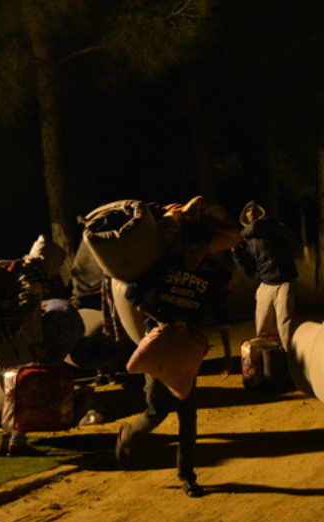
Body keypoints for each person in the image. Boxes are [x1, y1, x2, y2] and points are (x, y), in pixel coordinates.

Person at [114, 256, 229, 498]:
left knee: (188, 414)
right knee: (157, 412)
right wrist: (159, 318)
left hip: (186, 350)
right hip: (159, 346)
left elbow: (220, 314)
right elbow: (133, 294)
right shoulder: (165, 266)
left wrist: (228, 354)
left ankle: (187, 477)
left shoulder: (209, 276)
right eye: (190, 246)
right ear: (182, 247)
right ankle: (129, 433)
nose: (194, 252)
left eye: (199, 247)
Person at [0, 236, 66, 457]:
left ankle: (7, 439)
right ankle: (18, 440)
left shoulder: (12, 266)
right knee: (20, 391)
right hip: (10, 340)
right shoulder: (33, 275)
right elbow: (29, 315)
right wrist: (36, 344)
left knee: (8, 389)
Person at [231, 200, 299, 350]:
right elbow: (249, 271)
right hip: (266, 284)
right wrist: (236, 252)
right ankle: (263, 363)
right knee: (262, 328)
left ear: (261, 212)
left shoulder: (269, 224)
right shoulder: (248, 242)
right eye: (248, 210)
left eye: (255, 209)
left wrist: (236, 236)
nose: (252, 212)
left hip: (285, 282)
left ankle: (290, 360)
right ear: (245, 216)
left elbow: (255, 227)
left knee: (284, 326)